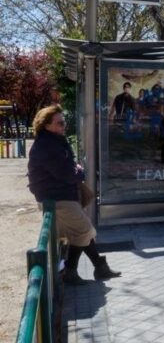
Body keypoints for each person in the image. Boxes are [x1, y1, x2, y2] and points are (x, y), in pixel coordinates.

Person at [27, 105, 121, 285]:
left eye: (64, 123)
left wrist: (74, 170)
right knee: (85, 230)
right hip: (57, 199)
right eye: (60, 123)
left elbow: (65, 169)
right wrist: (80, 172)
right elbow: (67, 173)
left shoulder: (52, 141)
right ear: (46, 125)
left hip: (59, 197)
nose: (64, 126)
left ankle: (98, 267)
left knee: (80, 232)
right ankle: (70, 270)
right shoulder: (47, 146)